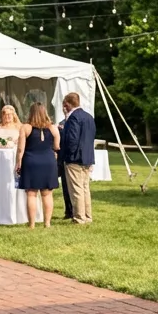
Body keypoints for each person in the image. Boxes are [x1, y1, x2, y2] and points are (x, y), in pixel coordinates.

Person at [15, 103, 61, 229]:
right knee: (47, 194)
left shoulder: (25, 127)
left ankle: (32, 224)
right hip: (48, 161)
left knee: (31, 194)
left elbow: (20, 149)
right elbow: (57, 146)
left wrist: (18, 162)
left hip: (31, 161)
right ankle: (47, 223)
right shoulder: (53, 128)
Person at [59, 92, 96, 224]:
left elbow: (72, 139)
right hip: (87, 156)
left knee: (76, 189)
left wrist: (68, 155)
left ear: (67, 104)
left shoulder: (73, 118)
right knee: (85, 188)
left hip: (75, 158)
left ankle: (79, 217)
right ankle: (87, 216)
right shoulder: (89, 117)